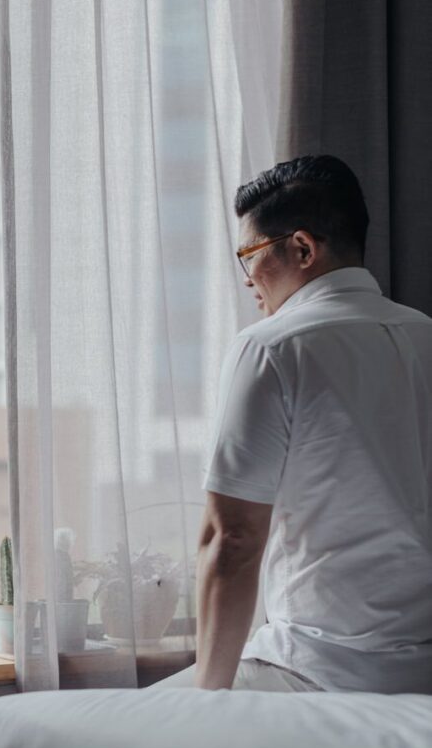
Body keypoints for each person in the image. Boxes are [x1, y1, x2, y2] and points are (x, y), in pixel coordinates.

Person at [158, 154, 432, 694]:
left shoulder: (271, 347)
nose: (247, 280)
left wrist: (206, 702)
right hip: (422, 674)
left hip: (316, 667)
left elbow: (231, 539)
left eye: (249, 255)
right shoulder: (426, 334)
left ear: (303, 248)